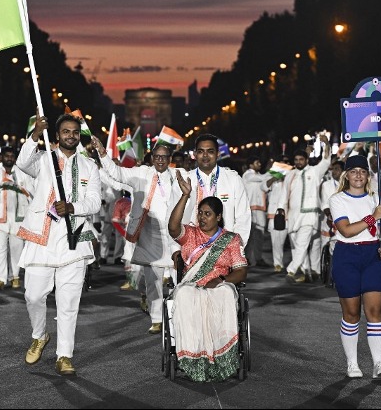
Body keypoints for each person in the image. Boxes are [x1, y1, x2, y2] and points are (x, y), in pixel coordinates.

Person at [16, 111, 101, 376]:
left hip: (73, 241)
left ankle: (64, 355)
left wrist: (73, 207)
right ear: (57, 135)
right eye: (66, 132)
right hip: (41, 240)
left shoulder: (89, 166)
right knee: (33, 294)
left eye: (75, 132)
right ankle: (40, 335)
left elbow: (95, 202)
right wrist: (35, 135)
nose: (71, 136)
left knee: (68, 302)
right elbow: (21, 163)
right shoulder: (43, 160)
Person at [91, 138, 179, 334]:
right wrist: (103, 154)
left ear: (170, 159)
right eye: (157, 157)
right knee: (153, 281)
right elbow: (117, 173)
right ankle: (156, 319)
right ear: (152, 158)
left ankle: (175, 317)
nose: (161, 161)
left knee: (177, 280)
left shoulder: (179, 175)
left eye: (165, 157)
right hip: (149, 234)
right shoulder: (142, 173)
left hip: (174, 236)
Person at [167, 171, 248, 382]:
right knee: (184, 294)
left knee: (223, 295)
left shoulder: (231, 239)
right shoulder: (191, 234)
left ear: (219, 217)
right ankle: (193, 357)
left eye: (207, 214)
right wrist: (185, 196)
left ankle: (221, 357)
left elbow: (241, 271)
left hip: (219, 284)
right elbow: (173, 228)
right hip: (192, 284)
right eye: (200, 213)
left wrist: (221, 281)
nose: (202, 217)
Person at [328, 154, 381, 380]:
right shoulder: (337, 200)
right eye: (353, 171)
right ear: (346, 175)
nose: (358, 175)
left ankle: (378, 364)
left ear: (367, 176)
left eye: (362, 171)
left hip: (373, 255)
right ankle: (352, 364)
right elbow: (346, 230)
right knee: (352, 313)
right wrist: (373, 217)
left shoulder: (377, 199)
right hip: (347, 255)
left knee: (375, 311)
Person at [169, 134, 252, 253]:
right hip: (190, 250)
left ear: (218, 154)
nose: (205, 156)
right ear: (195, 154)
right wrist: (175, 249)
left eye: (210, 151)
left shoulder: (232, 179)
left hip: (224, 249)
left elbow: (243, 216)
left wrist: (236, 248)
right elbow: (172, 216)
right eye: (201, 151)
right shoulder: (185, 180)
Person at [276, 134, 330, 283]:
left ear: (306, 160)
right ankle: (307, 272)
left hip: (309, 215)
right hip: (293, 216)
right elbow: (284, 193)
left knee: (301, 243)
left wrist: (326, 145)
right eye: (296, 160)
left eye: (301, 159)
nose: (299, 162)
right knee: (297, 246)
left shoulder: (314, 171)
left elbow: (326, 161)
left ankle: (291, 271)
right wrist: (280, 209)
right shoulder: (290, 174)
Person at [0, 146, 33, 290]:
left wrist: (21, 189)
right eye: (6, 156)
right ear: (1, 157)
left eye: (12, 156)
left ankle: (15, 276)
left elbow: (32, 194)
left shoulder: (23, 174)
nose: (9, 158)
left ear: (15, 158)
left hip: (18, 219)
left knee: (17, 249)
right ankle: (0, 278)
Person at [242, 155, 270, 267]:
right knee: (249, 235)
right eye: (257, 162)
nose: (259, 164)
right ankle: (246, 258)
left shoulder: (260, 176)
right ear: (251, 165)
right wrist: (273, 171)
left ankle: (258, 258)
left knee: (260, 235)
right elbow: (263, 178)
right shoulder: (247, 175)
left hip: (260, 209)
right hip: (250, 209)